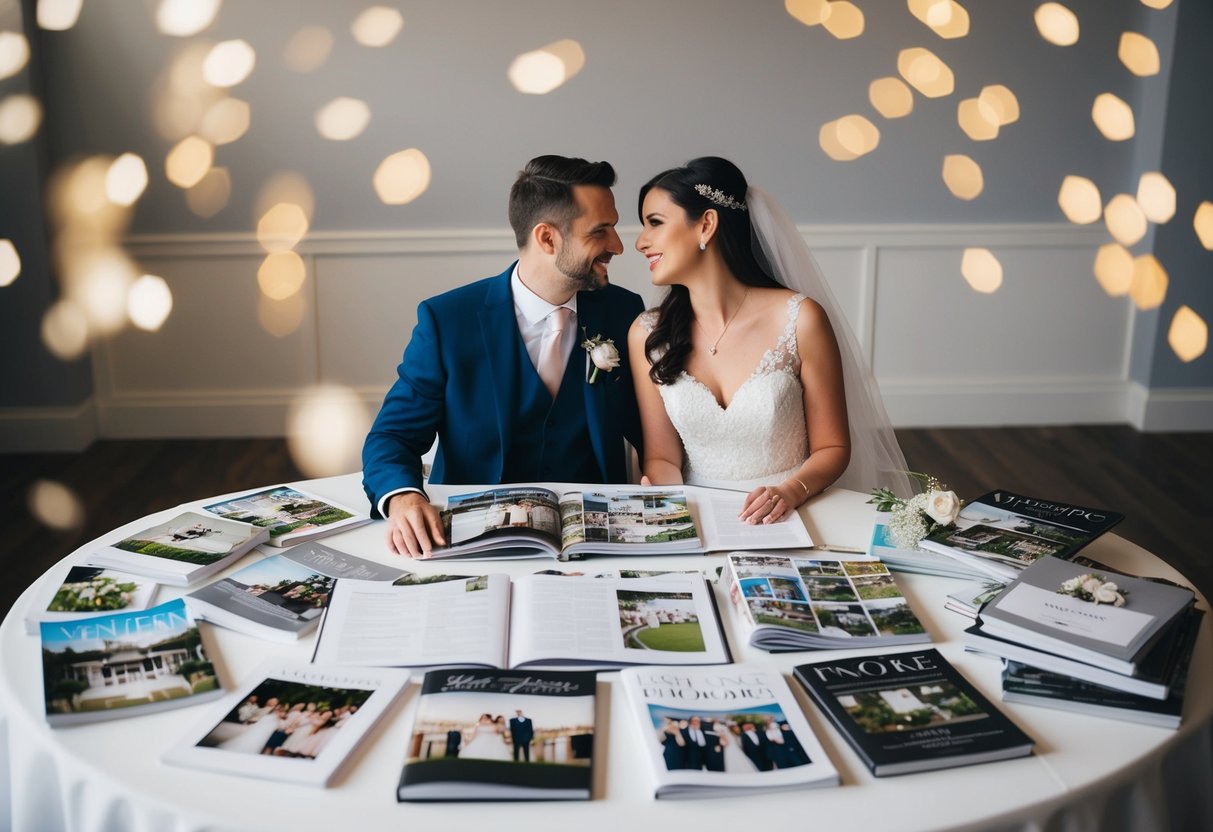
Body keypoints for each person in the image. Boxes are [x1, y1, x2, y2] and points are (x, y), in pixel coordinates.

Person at [363, 155, 645, 557]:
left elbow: (653, 430)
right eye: (600, 231)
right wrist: (404, 499)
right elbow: (392, 436)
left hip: (595, 537)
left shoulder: (623, 311)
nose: (618, 245)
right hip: (470, 539)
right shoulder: (448, 321)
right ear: (547, 238)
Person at [629, 157, 912, 522]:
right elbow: (663, 457)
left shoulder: (800, 319)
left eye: (654, 223)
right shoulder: (648, 335)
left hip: (794, 510)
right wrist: (671, 509)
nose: (640, 242)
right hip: (699, 517)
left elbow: (833, 446)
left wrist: (790, 492)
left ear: (706, 225)